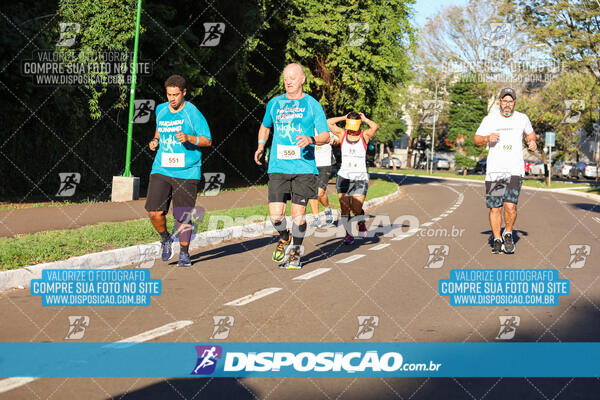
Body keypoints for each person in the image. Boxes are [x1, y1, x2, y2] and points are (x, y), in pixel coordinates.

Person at [254, 63, 331, 270]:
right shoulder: (275, 103)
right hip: (278, 166)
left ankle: (296, 252)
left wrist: (311, 139)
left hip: (304, 168)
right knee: (276, 216)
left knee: (298, 215)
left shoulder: (312, 104)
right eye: (285, 77)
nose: (288, 81)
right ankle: (284, 236)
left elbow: (325, 135)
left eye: (293, 77)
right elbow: (265, 126)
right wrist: (261, 145)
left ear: (302, 79)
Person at [146, 75, 212, 267]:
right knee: (154, 212)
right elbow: (159, 128)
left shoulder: (193, 113)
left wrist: (189, 138)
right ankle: (165, 239)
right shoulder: (160, 110)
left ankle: (184, 253)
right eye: (169, 95)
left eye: (176, 95)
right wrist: (155, 140)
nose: (172, 99)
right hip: (162, 167)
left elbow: (207, 140)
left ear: (184, 93)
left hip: (187, 171)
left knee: (182, 215)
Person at [474, 87, 536, 254]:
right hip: (495, 171)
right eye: (504, 101)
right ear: (500, 102)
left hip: (515, 169)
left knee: (510, 206)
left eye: (511, 101)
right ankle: (497, 238)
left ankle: (508, 233)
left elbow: (530, 134)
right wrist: (487, 138)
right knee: (495, 208)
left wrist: (532, 142)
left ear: (514, 102)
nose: (507, 104)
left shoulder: (522, 118)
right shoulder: (490, 119)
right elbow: (476, 139)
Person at [327, 112, 379, 245]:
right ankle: (348, 234)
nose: (351, 130)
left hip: (360, 178)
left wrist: (365, 119)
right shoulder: (343, 134)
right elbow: (328, 122)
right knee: (344, 208)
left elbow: (375, 127)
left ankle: (360, 221)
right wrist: (345, 117)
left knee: (356, 208)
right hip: (344, 176)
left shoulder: (364, 136)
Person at [308, 134, 336, 228]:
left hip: (325, 164)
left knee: (320, 192)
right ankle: (316, 218)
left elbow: (338, 138)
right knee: (312, 192)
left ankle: (327, 209)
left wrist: (334, 140)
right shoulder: (307, 127)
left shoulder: (327, 128)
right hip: (311, 164)